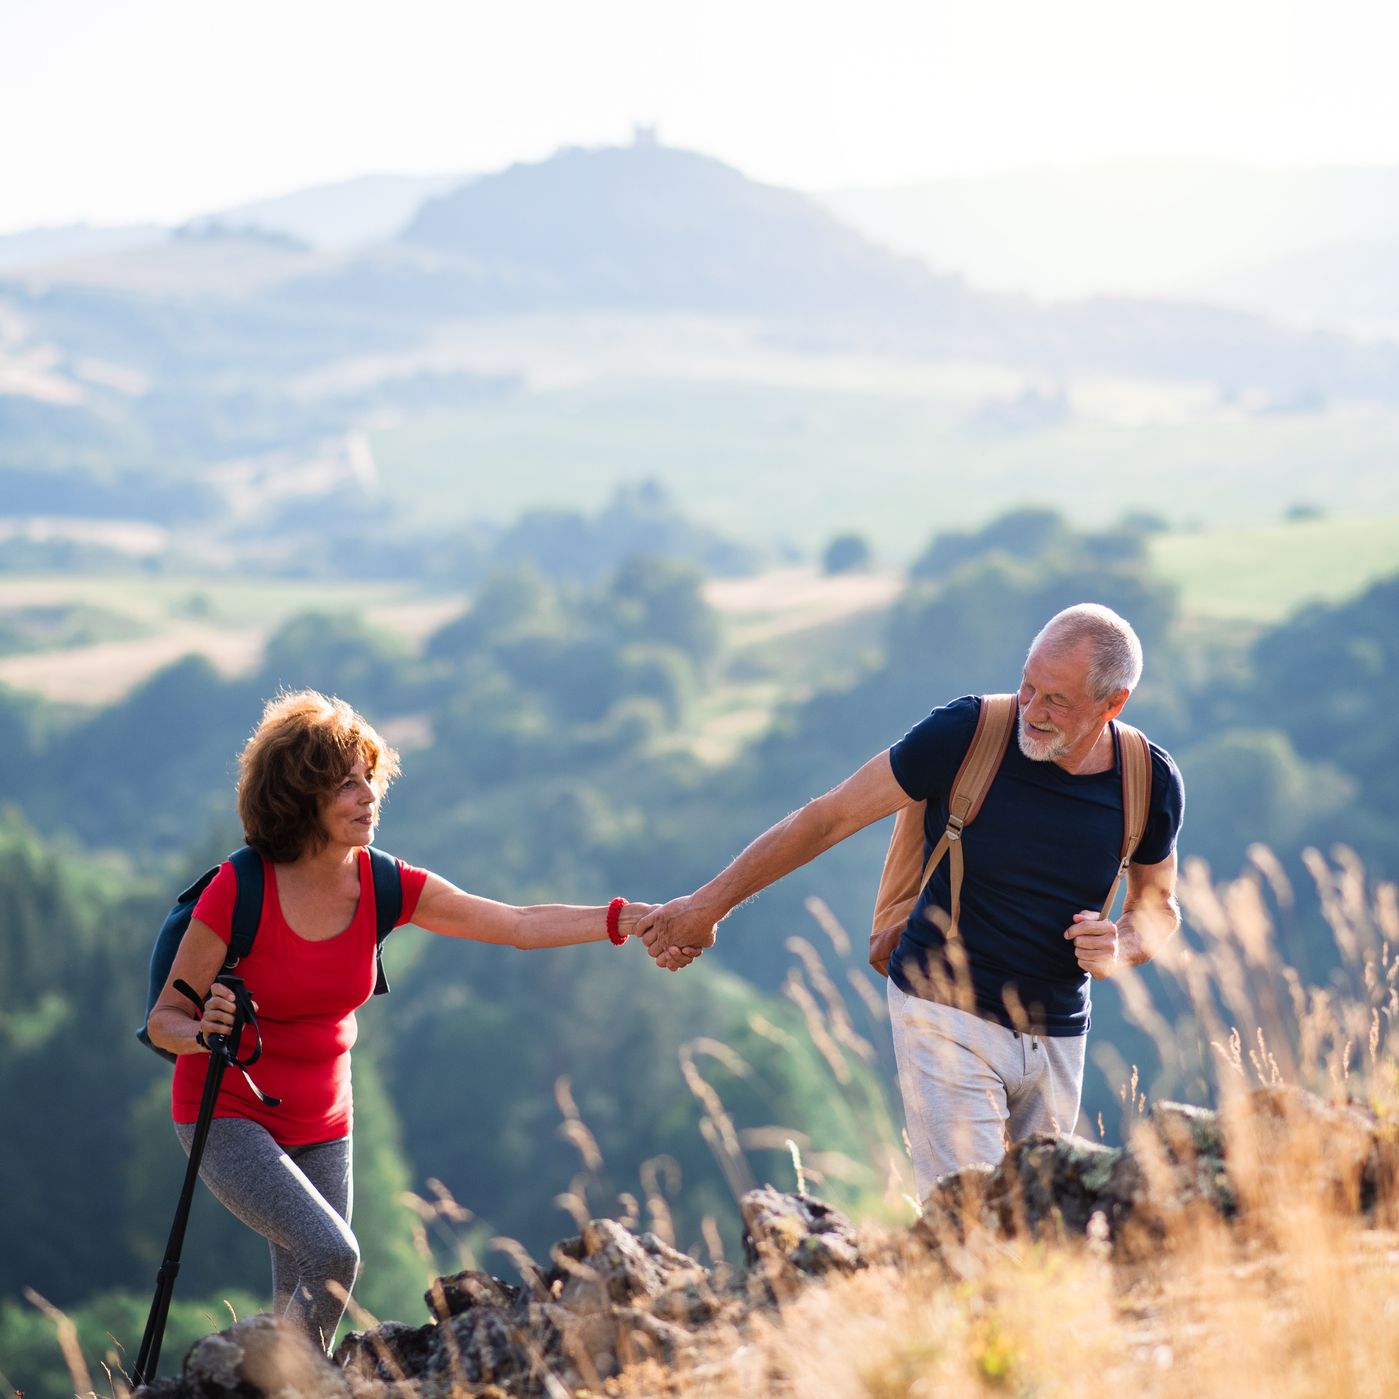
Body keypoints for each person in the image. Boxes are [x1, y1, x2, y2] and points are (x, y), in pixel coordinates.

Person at [146, 689, 702, 1352]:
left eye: (368, 780)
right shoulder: (240, 888)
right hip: (231, 1116)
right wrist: (204, 1031)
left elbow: (515, 923)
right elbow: (164, 1020)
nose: (367, 795)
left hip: (326, 1121)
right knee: (334, 1255)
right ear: (299, 797)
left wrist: (622, 918)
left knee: (309, 1295)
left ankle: (286, 1385)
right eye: (344, 785)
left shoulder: (383, 884)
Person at [638, 603, 1185, 1198]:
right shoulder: (965, 734)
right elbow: (828, 818)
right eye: (1027, 685)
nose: (1032, 709)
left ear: (1113, 704)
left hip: (1057, 1033)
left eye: (1057, 700)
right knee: (969, 1217)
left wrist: (1121, 945)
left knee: (1042, 1233)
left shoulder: (1147, 779)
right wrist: (706, 906)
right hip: (942, 1010)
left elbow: (1157, 908)